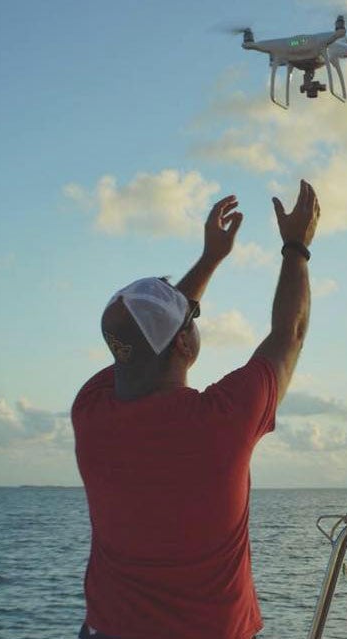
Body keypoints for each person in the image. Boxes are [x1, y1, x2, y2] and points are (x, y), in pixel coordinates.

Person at [71, 180, 321, 639]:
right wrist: (296, 248)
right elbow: (291, 334)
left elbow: (148, 339)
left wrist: (210, 259)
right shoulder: (222, 421)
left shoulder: (90, 411)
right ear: (185, 343)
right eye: (191, 316)